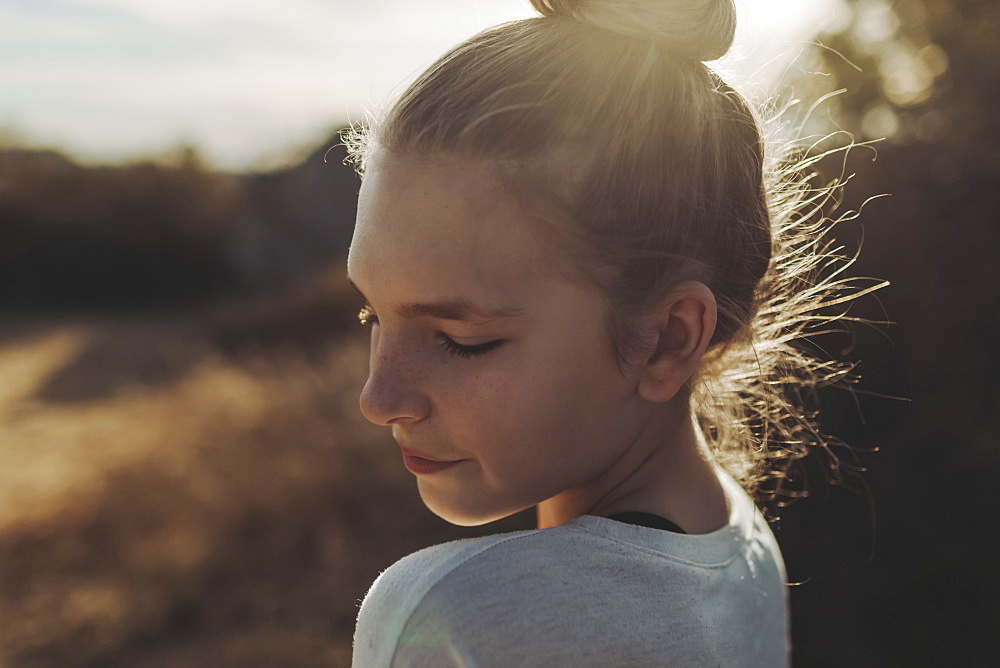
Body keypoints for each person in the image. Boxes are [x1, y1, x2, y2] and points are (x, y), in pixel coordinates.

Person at [345, 0, 854, 665]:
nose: (377, 398)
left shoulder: (462, 617)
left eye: (459, 339)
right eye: (372, 316)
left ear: (669, 337)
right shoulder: (738, 545)